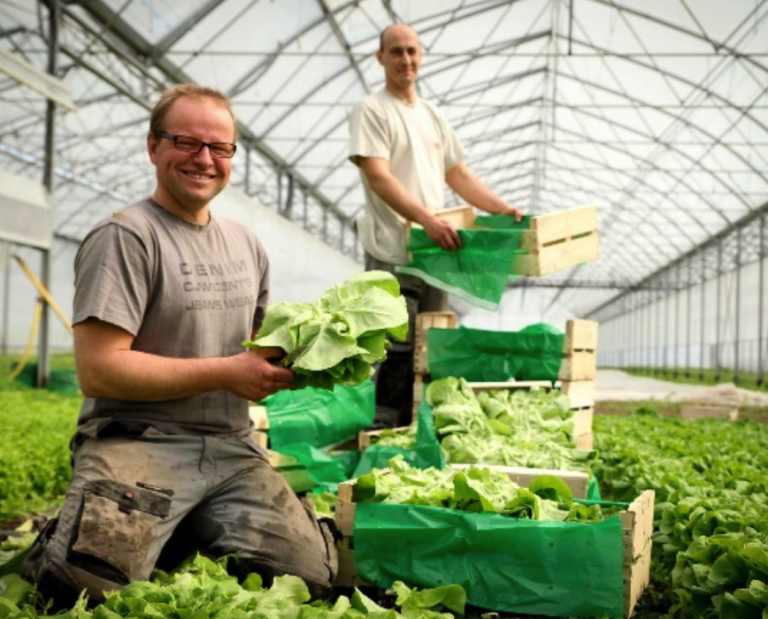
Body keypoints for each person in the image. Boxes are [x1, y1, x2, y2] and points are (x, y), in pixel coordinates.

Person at [22, 84, 337, 607]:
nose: (204, 159)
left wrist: (312, 358)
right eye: (187, 142)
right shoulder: (126, 236)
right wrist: (227, 372)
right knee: (84, 590)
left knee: (308, 579)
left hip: (231, 449)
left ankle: (175, 526)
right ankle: (69, 541)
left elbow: (255, 353)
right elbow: (99, 371)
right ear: (154, 146)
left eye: (220, 147)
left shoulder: (246, 243)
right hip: (140, 442)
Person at [348, 24, 523, 425]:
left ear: (421, 55)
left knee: (429, 342)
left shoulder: (431, 115)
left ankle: (414, 426)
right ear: (380, 58)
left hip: (433, 252)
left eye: (412, 50)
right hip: (394, 249)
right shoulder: (372, 110)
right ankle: (381, 430)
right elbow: (378, 176)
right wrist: (427, 219)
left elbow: (458, 174)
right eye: (396, 51)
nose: (405, 59)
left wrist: (501, 208)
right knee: (392, 344)